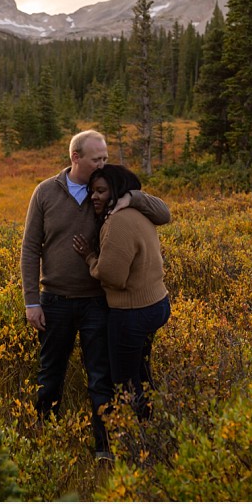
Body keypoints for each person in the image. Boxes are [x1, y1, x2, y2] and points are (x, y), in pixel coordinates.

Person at [22, 130, 170, 460]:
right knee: (50, 374)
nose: (104, 162)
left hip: (98, 303)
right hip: (55, 300)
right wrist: (32, 301)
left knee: (100, 377)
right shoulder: (46, 192)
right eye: (96, 159)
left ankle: (103, 446)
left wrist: (134, 198)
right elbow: (31, 248)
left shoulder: (111, 191)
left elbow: (163, 214)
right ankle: (46, 436)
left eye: (105, 157)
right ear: (76, 158)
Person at [73, 164, 171, 421]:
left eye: (101, 191)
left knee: (125, 382)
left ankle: (138, 436)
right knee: (141, 372)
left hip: (131, 313)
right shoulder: (139, 212)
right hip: (156, 304)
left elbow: (113, 278)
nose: (94, 196)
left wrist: (90, 257)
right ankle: (151, 423)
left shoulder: (117, 223)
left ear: (117, 191)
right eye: (92, 191)